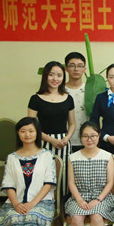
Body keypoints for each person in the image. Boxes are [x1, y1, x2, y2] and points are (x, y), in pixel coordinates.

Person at [0, 117, 57, 226]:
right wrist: (16, 204)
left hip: (43, 201)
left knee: (35, 216)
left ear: (37, 133)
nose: (27, 134)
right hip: (17, 201)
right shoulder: (12, 157)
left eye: (31, 131)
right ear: (18, 134)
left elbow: (49, 183)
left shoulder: (47, 155)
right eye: (23, 131)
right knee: (13, 217)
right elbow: (8, 184)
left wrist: (33, 203)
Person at [65, 121, 114, 226]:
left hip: (102, 197)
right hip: (79, 196)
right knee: (77, 218)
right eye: (85, 136)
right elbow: (71, 183)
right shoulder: (73, 157)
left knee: (96, 216)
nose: (89, 140)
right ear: (80, 138)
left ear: (99, 136)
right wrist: (79, 199)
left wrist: (98, 199)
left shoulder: (107, 156)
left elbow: (110, 183)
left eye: (93, 136)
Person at [27, 61, 75, 192]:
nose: (55, 79)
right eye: (51, 75)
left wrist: (67, 138)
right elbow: (31, 126)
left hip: (64, 143)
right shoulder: (35, 99)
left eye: (59, 75)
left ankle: (62, 202)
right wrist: (52, 140)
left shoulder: (68, 98)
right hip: (43, 142)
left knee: (64, 177)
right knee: (43, 176)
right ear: (45, 76)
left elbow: (72, 123)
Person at [64, 52, 88, 153]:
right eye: (72, 66)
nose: (76, 69)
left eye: (80, 66)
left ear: (84, 69)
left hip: (87, 141)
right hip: (63, 141)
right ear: (66, 68)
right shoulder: (60, 91)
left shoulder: (90, 90)